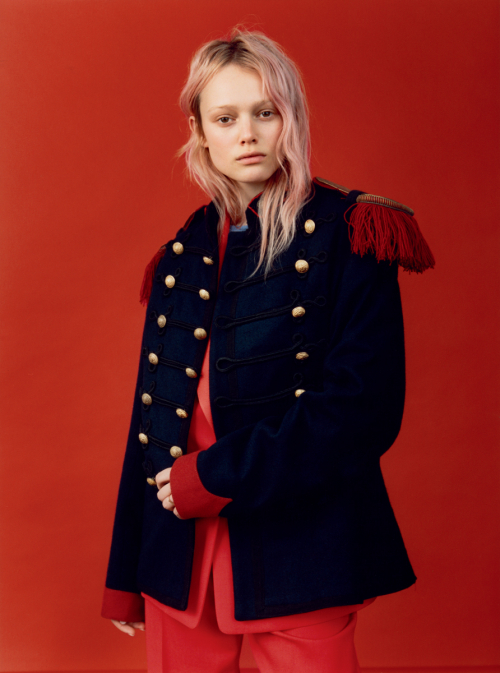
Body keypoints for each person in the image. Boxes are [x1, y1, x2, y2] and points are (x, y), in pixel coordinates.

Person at [101, 28, 435, 673]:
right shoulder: (180, 257)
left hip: (303, 545)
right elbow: (152, 423)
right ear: (200, 132)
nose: (247, 134)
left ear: (292, 118)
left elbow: (361, 410)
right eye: (225, 118)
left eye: (265, 112)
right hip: (179, 559)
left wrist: (215, 476)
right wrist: (127, 568)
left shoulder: (352, 232)